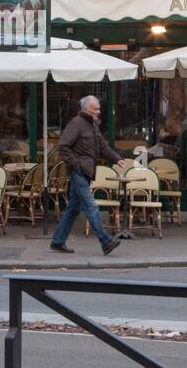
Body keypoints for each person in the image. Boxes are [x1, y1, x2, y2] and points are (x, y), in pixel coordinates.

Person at [50, 96, 129, 255]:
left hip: (86, 172)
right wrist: (76, 164)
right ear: (86, 109)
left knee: (73, 209)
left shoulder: (93, 125)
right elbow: (63, 147)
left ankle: (57, 242)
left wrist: (117, 159)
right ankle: (105, 241)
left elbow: (103, 147)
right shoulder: (76, 123)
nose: (99, 112)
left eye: (98, 108)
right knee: (91, 206)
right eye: (96, 109)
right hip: (79, 172)